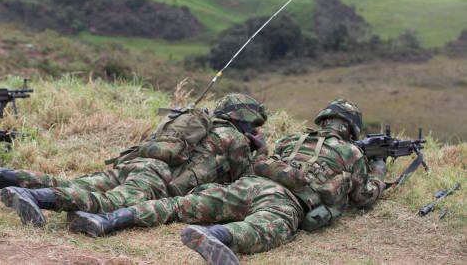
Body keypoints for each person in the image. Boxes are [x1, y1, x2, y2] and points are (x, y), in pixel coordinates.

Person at [68, 99, 386, 265]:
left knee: (178, 205)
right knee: (261, 229)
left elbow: (271, 157)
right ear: (352, 129)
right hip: (283, 201)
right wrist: (380, 170)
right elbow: (364, 197)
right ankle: (214, 235)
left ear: (322, 121)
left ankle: (106, 220)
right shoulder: (352, 154)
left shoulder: (293, 140)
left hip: (250, 184)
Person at [0, 94, 269, 228]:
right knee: (109, 203)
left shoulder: (195, 123)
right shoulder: (236, 140)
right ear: (246, 121)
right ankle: (33, 196)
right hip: (158, 180)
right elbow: (245, 183)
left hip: (138, 164)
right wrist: (260, 150)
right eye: (255, 126)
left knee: (76, 184)